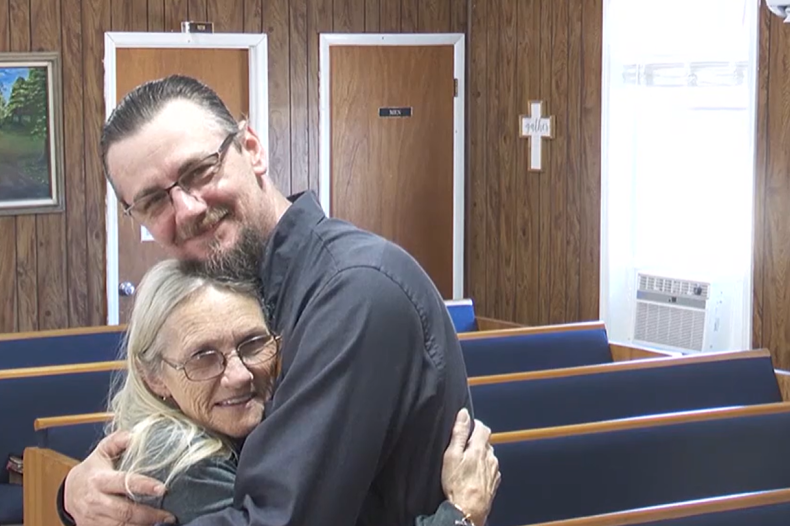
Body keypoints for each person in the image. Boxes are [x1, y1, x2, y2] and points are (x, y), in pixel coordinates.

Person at [59, 74, 487, 526]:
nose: (187, 209)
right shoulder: (241, 286)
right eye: (152, 202)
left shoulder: (352, 294)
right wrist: (76, 493)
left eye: (199, 172)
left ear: (252, 149)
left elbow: (278, 519)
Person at [108, 258, 499, 525]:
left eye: (252, 343)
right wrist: (460, 514)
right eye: (203, 358)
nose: (239, 375)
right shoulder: (179, 464)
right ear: (153, 377)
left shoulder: (253, 430)